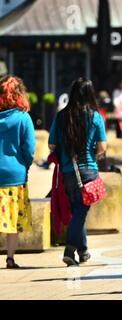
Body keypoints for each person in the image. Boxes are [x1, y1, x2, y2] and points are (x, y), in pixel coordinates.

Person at [48, 78, 107, 266]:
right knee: (81, 212)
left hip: (67, 171)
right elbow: (102, 147)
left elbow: (51, 144)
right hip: (88, 170)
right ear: (90, 94)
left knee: (77, 211)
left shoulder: (61, 116)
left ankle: (83, 251)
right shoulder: (95, 117)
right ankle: (70, 249)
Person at [0, 75, 35, 269]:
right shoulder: (23, 118)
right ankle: (10, 258)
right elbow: (29, 149)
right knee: (12, 221)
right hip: (15, 176)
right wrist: (25, 164)